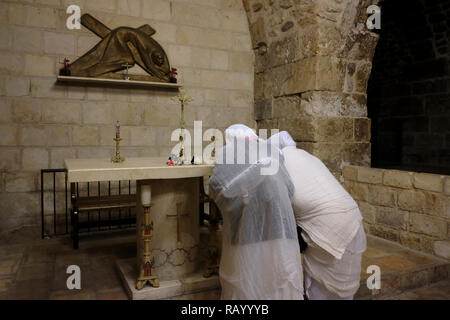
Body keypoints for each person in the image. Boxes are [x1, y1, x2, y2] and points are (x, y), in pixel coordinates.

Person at [208, 125, 304, 300]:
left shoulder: (229, 152)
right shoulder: (272, 151)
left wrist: (245, 193)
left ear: (230, 139)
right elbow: (290, 189)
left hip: (247, 236)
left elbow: (217, 187)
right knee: (279, 280)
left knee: (249, 283)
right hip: (280, 234)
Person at [268, 131, 367, 300]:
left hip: (326, 225)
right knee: (341, 275)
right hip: (353, 217)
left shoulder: (280, 165)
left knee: (321, 286)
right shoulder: (310, 157)